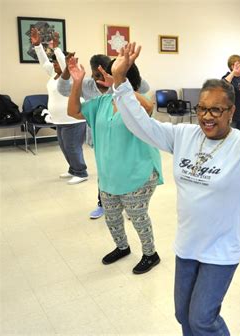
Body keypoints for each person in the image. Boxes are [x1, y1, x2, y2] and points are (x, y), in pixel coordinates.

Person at [115, 42, 240, 334]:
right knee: (183, 315)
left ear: (231, 112)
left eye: (216, 110)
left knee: (203, 318)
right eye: (203, 109)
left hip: (222, 249)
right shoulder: (184, 136)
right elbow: (142, 125)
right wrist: (120, 81)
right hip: (188, 244)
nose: (207, 116)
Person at [67, 54, 163, 274]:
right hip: (109, 174)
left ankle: (151, 254)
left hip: (139, 172)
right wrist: (77, 82)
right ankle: (122, 247)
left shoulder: (135, 102)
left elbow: (148, 108)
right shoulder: (101, 103)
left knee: (138, 217)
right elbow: (73, 111)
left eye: (116, 75)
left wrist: (121, 85)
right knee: (111, 216)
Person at [58, 52, 151, 219]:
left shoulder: (117, 83)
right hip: (100, 138)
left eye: (104, 74)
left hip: (125, 137)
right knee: (105, 173)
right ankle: (104, 203)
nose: (100, 78)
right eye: (96, 75)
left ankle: (131, 202)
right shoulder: (89, 87)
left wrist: (122, 77)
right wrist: (74, 78)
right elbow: (65, 92)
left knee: (125, 170)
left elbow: (144, 90)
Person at [30, 28, 88, 185]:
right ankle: (73, 169)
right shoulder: (53, 74)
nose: (53, 64)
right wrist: (37, 46)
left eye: (56, 61)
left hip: (73, 120)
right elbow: (43, 61)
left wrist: (56, 48)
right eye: (53, 61)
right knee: (64, 147)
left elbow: (64, 65)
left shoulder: (69, 77)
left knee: (72, 147)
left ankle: (81, 172)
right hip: (59, 120)